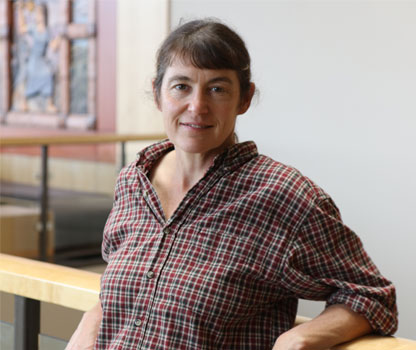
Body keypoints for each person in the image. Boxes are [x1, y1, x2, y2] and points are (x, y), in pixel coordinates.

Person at [66, 19, 397, 350]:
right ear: (158, 93)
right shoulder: (133, 179)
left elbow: (372, 295)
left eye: (217, 89)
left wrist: (301, 337)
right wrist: (95, 316)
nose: (197, 106)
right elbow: (128, 278)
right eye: (181, 86)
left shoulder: (282, 195)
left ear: (244, 99)